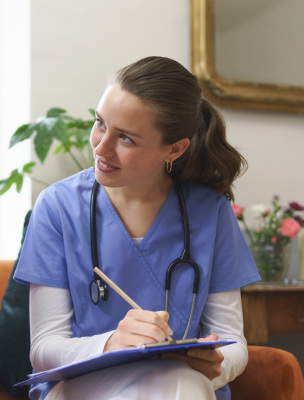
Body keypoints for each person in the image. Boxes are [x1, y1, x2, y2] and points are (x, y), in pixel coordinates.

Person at [13, 56, 261, 400]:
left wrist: (216, 361)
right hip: (83, 388)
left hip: (179, 385)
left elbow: (233, 343)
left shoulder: (211, 213)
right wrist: (112, 343)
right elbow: (44, 349)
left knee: (180, 383)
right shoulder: (57, 207)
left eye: (125, 138)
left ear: (173, 149)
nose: (100, 147)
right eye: (100, 123)